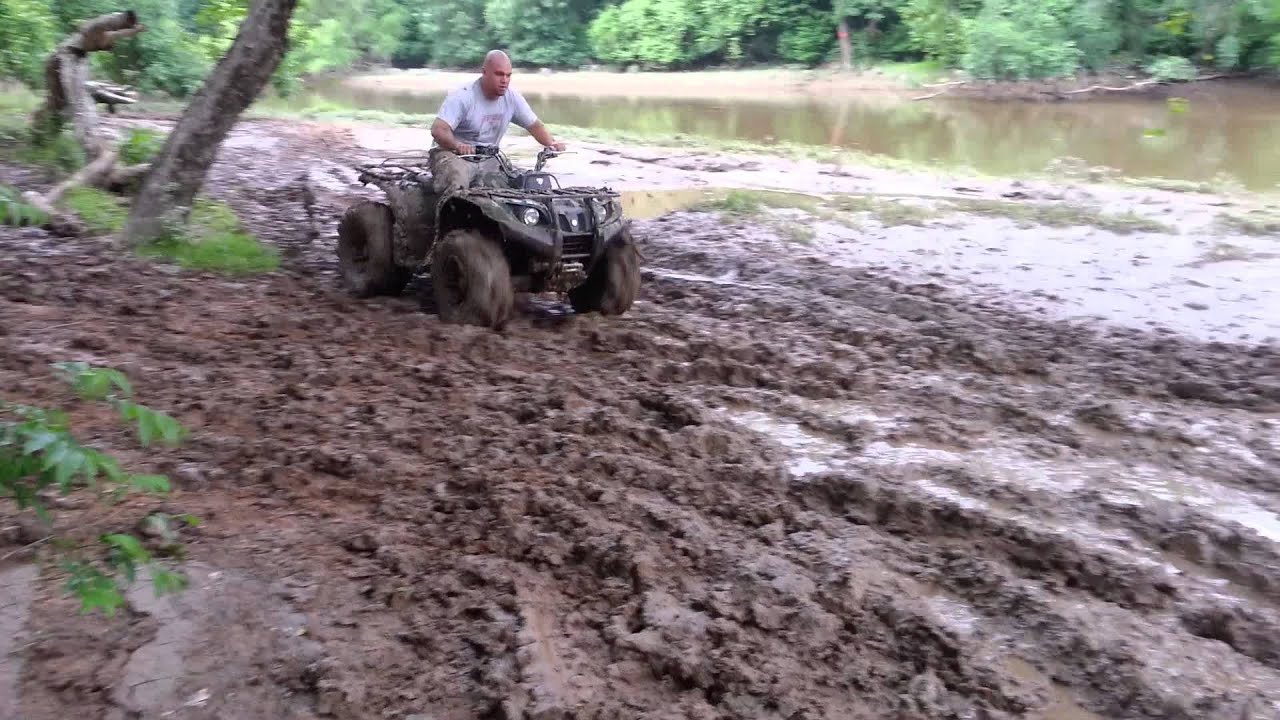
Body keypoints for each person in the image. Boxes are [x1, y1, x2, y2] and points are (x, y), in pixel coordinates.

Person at [428, 49, 566, 194]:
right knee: (456, 182)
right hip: (452, 154)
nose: (504, 80)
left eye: (508, 75)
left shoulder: (512, 98)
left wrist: (551, 143)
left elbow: (534, 125)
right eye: (499, 74)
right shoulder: (463, 96)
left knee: (520, 184)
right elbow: (438, 130)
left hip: (488, 157)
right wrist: (458, 146)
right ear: (484, 72)